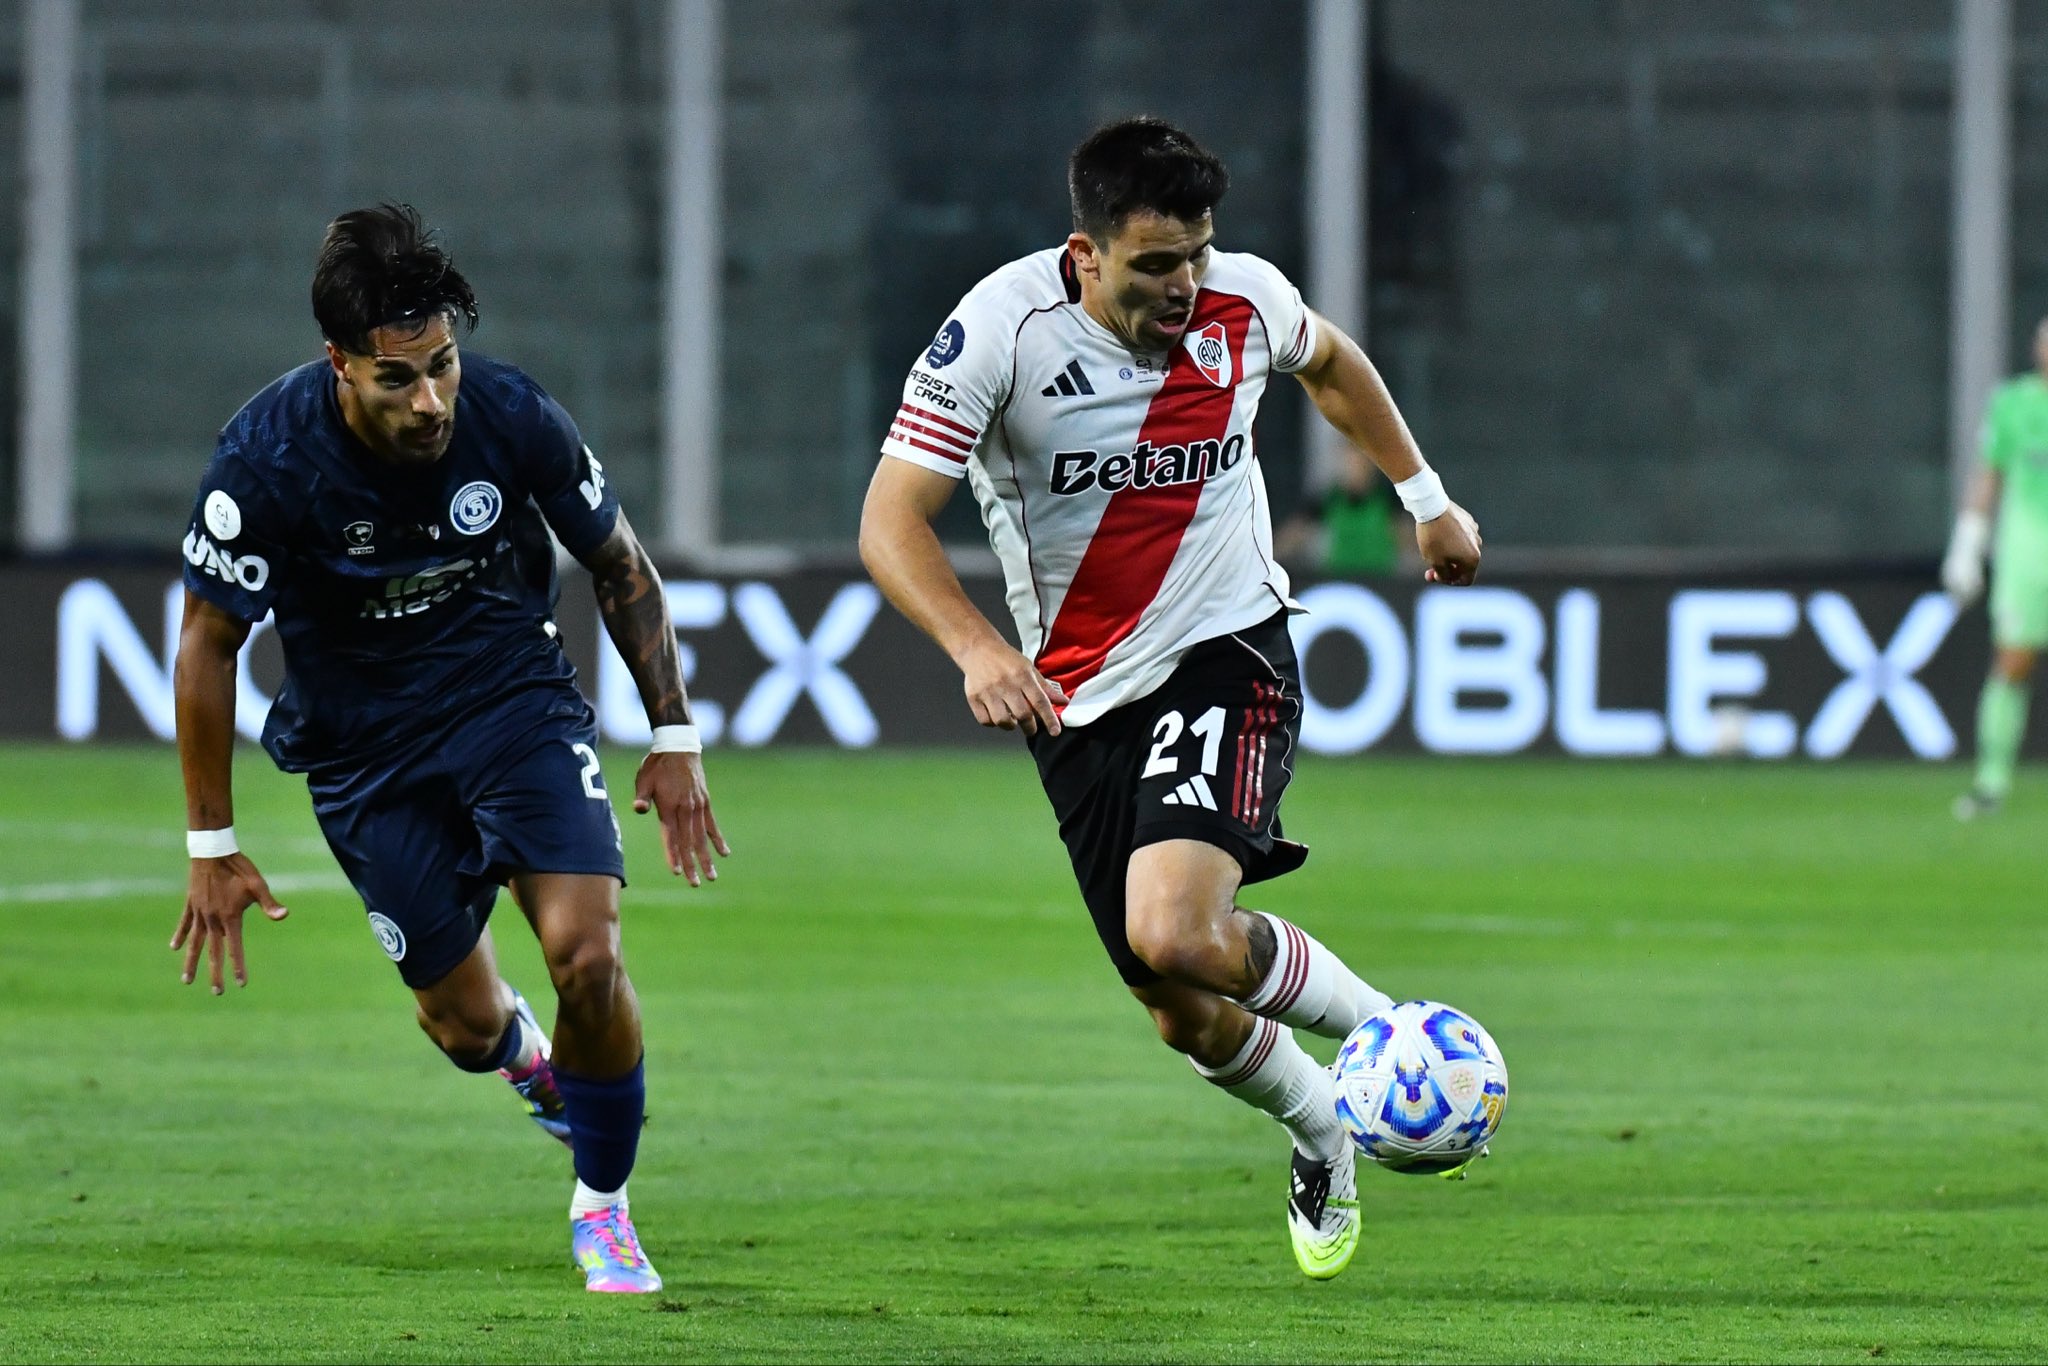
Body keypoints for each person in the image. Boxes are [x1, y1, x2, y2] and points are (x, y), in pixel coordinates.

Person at [858, 118, 1482, 1280]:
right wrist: (974, 648)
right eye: (1153, 264)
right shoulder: (998, 332)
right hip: (1073, 698)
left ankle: (1401, 1041)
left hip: (1226, 644)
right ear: (1084, 255)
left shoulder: (1244, 303)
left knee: (1175, 928)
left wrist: (1424, 497)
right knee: (1179, 1006)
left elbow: (1334, 365)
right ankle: (1320, 1127)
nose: (1183, 284)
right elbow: (888, 521)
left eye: (1194, 253)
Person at [172, 204, 729, 1293]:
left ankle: (603, 1210)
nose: (431, 400)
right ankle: (526, 1058)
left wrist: (672, 731)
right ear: (339, 365)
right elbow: (207, 646)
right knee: (463, 1024)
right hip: (364, 751)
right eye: (398, 379)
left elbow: (618, 563)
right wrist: (211, 841)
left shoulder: (512, 415)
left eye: (442, 366)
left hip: (510, 703)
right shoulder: (265, 461)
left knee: (588, 953)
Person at [1943, 316, 2048, 820]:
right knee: (2012, 661)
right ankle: (1991, 780)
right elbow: (1990, 474)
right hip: (2027, 551)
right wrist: (1967, 545)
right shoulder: (2012, 403)